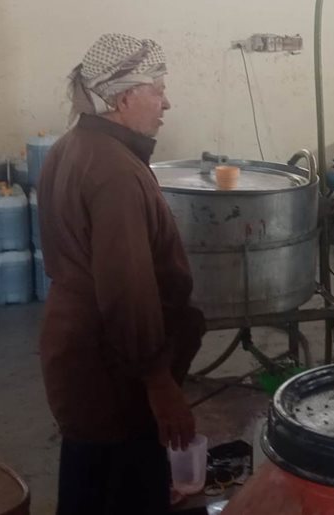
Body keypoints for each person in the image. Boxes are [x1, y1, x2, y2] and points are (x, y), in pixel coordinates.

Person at [39, 33, 206, 514]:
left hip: (77, 354)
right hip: (113, 370)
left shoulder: (71, 147)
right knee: (126, 486)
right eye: (158, 90)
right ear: (124, 97)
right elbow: (128, 291)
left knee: (87, 481)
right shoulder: (115, 173)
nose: (165, 103)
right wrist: (159, 383)